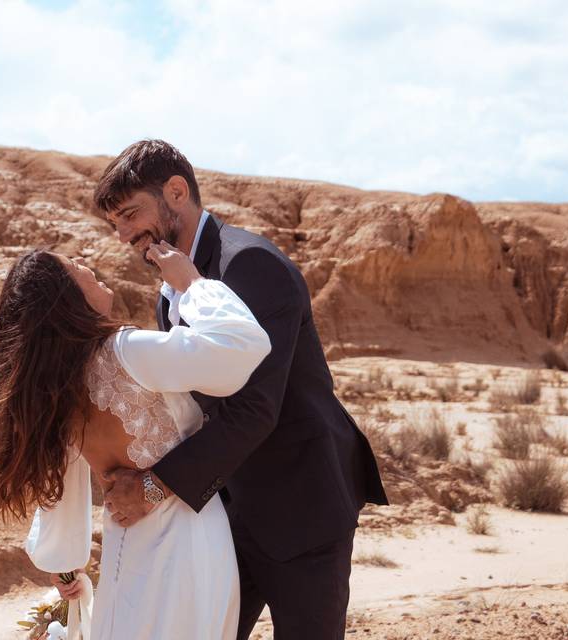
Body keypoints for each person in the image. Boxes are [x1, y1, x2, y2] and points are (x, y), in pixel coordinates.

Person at [96, 140, 389, 639]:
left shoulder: (250, 264)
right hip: (228, 508)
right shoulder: (172, 286)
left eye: (130, 214)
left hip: (303, 504)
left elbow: (254, 410)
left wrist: (153, 486)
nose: (124, 234)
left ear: (176, 191)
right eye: (115, 224)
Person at [0, 242, 272, 639]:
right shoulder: (128, 350)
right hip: (188, 543)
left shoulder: (59, 389)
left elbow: (62, 489)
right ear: (66, 297)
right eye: (75, 266)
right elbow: (243, 346)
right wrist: (193, 284)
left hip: (127, 546)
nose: (88, 268)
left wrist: (66, 561)